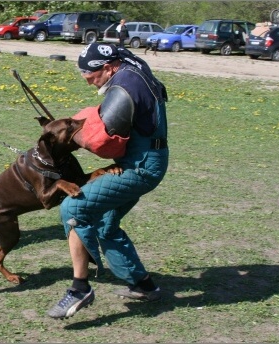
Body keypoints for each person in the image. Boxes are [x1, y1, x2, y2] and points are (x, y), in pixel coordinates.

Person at [47, 43, 169, 319]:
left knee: (73, 208)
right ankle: (144, 285)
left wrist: (71, 136)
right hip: (148, 158)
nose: (88, 80)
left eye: (90, 75)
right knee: (105, 223)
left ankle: (80, 288)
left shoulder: (124, 84)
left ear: (108, 67)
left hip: (141, 167)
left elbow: (103, 144)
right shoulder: (134, 69)